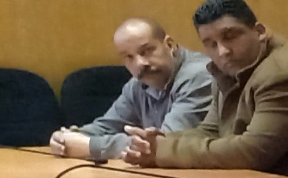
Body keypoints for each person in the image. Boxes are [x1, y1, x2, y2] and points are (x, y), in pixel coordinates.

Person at [124, 0, 288, 178]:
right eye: (211, 44)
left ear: (259, 31)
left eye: (230, 37)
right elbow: (211, 130)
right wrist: (158, 141)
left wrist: (162, 151)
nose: (222, 51)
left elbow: (253, 152)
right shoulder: (230, 69)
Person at [50, 18, 213, 161]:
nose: (140, 63)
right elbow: (107, 126)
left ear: (169, 45)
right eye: (129, 57)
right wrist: (67, 137)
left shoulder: (200, 75)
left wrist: (91, 146)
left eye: (147, 51)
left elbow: (166, 144)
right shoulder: (137, 84)